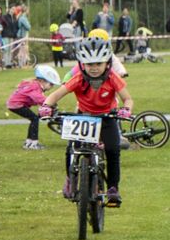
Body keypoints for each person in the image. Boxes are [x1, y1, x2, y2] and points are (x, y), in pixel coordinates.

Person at [40, 36, 132, 206]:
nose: (94, 68)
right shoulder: (78, 79)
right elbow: (56, 94)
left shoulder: (113, 78)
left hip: (107, 117)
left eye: (98, 64)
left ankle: (113, 188)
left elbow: (127, 98)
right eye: (89, 64)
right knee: (72, 148)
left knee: (113, 149)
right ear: (82, 64)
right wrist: (46, 106)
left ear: (107, 63)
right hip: (83, 117)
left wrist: (126, 109)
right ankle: (70, 180)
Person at [7, 65, 58, 149]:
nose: (51, 87)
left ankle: (28, 142)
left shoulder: (33, 84)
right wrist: (50, 102)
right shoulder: (35, 86)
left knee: (34, 119)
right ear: (42, 81)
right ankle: (34, 143)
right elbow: (38, 98)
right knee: (35, 119)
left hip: (14, 104)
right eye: (51, 84)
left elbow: (35, 99)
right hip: (17, 105)